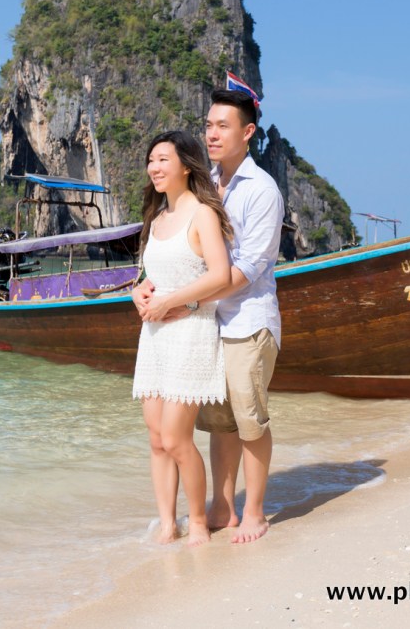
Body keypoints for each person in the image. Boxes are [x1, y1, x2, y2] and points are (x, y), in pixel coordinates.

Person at [134, 88, 284, 544]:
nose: (212, 134)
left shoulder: (261, 190)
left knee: (249, 418)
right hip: (205, 324)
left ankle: (254, 511)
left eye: (223, 126)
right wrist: (146, 289)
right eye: (208, 126)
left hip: (246, 320)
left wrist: (185, 303)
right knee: (219, 423)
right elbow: (174, 258)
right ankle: (222, 506)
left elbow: (248, 268)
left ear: (248, 132)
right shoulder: (206, 185)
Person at [132, 130, 233, 547]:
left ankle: (197, 521)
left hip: (191, 332)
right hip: (155, 335)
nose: (154, 168)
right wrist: (138, 291)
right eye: (151, 160)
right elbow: (153, 274)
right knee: (157, 439)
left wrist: (172, 301)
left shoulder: (202, 214)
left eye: (163, 160)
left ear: (187, 167)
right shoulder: (157, 218)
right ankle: (167, 524)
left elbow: (220, 275)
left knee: (176, 438)